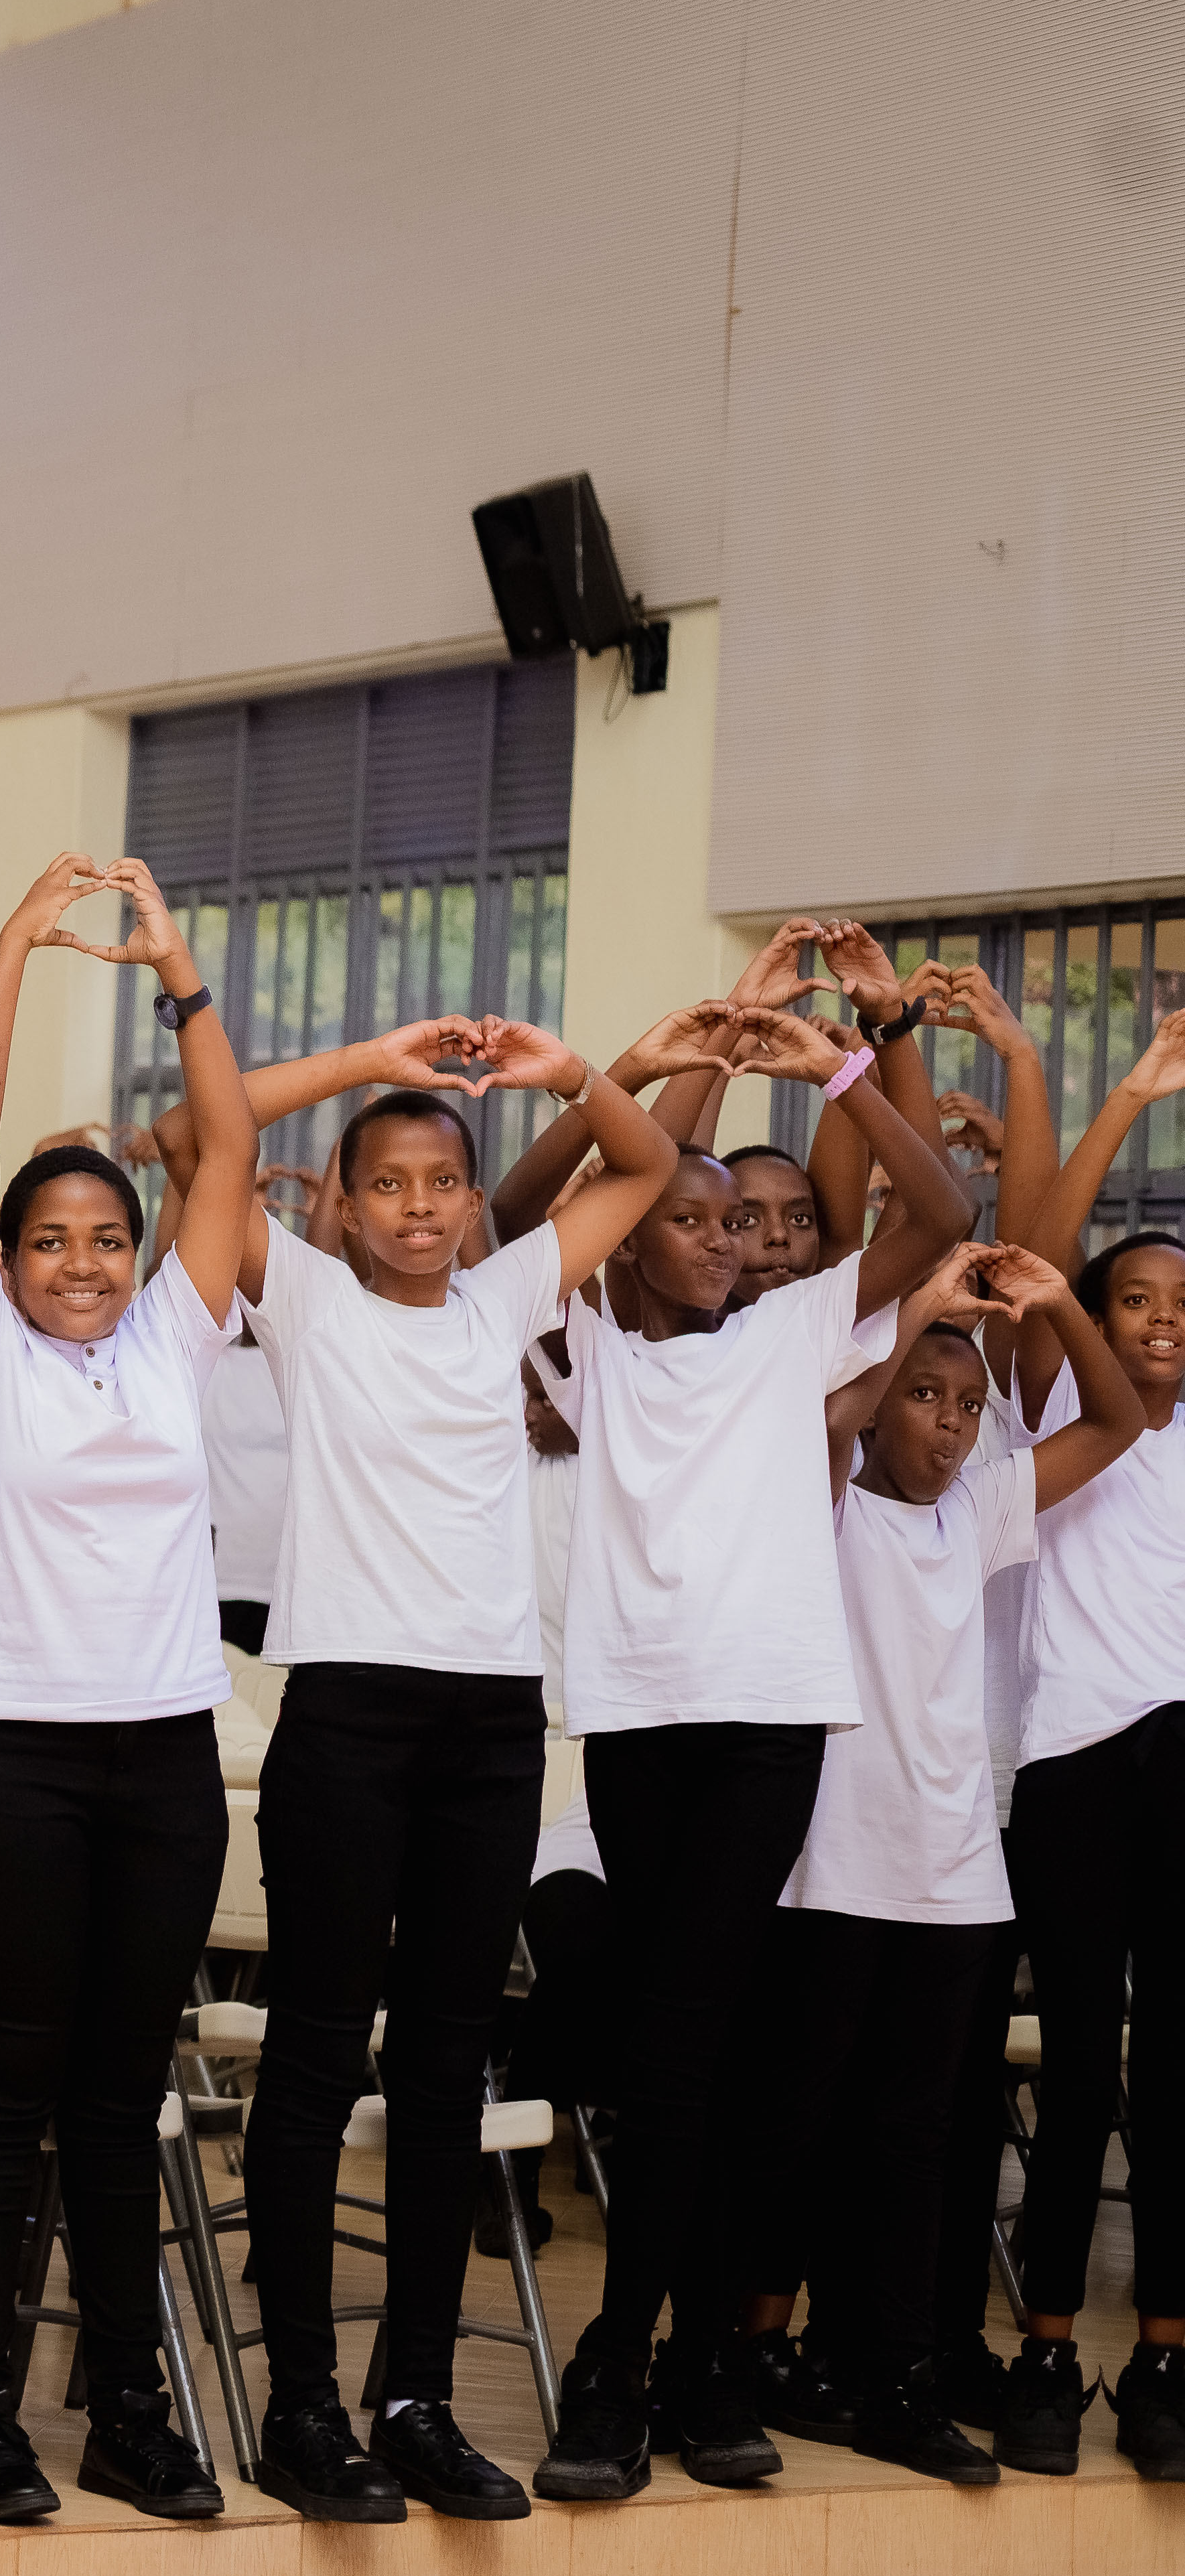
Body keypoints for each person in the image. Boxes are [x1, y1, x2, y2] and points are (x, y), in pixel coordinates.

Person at [153, 1015, 674, 2523]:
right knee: (320, 2056)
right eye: (387, 1183)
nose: (421, 1207)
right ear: (342, 1198)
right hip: (347, 1716)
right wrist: (373, 1057)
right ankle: (302, 2405)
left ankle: (416, 2399)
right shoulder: (307, 1301)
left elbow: (641, 1163)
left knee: (448, 2067)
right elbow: (198, 1132)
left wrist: (563, 1075)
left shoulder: (502, 1294)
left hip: (488, 1726)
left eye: (443, 1181)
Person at [485, 977, 969, 2498]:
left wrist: (838, 1066)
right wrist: (651, 1066)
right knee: (675, 2049)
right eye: (688, 1218)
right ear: (632, 1234)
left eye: (738, 1223)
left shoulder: (795, 1334)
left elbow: (944, 1210)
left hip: (766, 1728)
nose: (722, 1239)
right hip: (638, 1726)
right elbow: (518, 1207)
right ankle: (675, 2362)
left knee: (689, 2042)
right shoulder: (594, 1351)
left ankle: (633, 2361)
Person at [0, 854, 256, 2525]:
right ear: (6, 1256)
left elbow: (227, 1146)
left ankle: (127, 2408)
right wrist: (10, 953)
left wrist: (176, 967)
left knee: (121, 2105)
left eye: (104, 1238)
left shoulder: (175, 1340)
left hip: (161, 1762)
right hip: (3, 1767)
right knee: (3, 2094)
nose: (77, 1260)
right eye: (45, 1239)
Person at [721, 1242, 1139, 2491]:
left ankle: (896, 2376)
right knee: (797, 2122)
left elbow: (1115, 1419)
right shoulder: (827, 1501)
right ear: (880, 1401)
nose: (950, 1425)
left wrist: (1057, 1302)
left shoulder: (983, 1511)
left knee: (915, 2137)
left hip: (955, 1877)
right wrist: (920, 1313)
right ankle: (756, 2350)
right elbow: (827, 1413)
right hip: (831, 1868)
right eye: (923, 1396)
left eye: (966, 1404)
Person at [987, 1007, 1185, 2476]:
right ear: (1095, 1322)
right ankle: (1047, 2353)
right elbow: (1039, 1248)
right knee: (1074, 2078)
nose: (1160, 1320)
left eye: (1181, 1303)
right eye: (1135, 1300)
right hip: (1071, 1766)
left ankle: (1164, 2361)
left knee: (1175, 2080)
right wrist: (1127, 1095)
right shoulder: (1067, 1406)